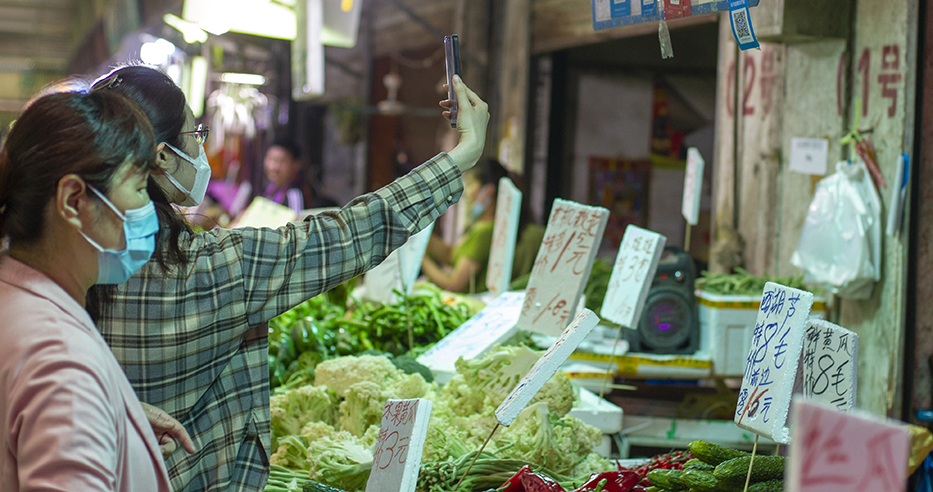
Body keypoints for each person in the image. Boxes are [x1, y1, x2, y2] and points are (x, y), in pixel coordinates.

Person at [88, 65, 488, 492]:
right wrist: (462, 155)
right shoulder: (215, 270)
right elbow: (350, 233)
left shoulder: (69, 261)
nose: (201, 149)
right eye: (195, 136)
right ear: (162, 156)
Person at [0, 88, 192, 491]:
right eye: (139, 188)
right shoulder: (61, 364)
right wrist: (83, 402)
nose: (147, 210)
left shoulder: (14, 295)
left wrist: (117, 416)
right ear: (73, 200)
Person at [422, 159, 545, 293]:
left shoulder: (486, 232)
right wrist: (420, 238)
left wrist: (421, 259)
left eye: (470, 184)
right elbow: (452, 255)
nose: (466, 193)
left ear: (488, 191)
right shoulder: (481, 227)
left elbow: (453, 285)